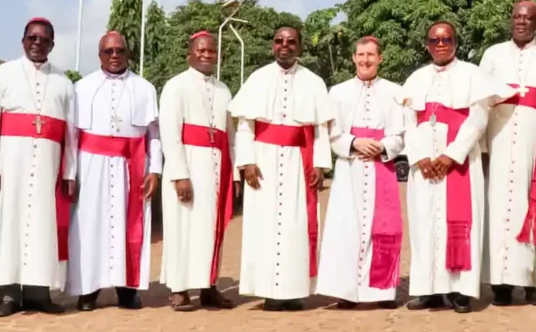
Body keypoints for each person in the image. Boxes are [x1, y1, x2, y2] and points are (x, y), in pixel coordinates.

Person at [402, 22, 512, 313]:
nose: (441, 44)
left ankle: (461, 291)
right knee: (424, 224)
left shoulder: (473, 75)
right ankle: (428, 291)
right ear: (426, 44)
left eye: (446, 39)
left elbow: (477, 120)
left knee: (463, 224)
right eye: (435, 40)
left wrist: (451, 155)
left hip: (460, 163)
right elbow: (408, 122)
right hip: (424, 166)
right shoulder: (415, 78)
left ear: (455, 43)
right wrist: (421, 157)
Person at [229, 26, 335, 311]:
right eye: (279, 41)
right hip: (263, 162)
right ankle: (267, 291)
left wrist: (321, 165)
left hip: (299, 162)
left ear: (300, 47)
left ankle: (294, 291)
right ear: (272, 45)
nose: (284, 46)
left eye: (291, 42)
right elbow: (244, 126)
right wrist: (247, 162)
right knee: (262, 225)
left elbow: (320, 128)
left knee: (295, 225)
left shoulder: (313, 82)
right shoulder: (257, 78)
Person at [0, 18, 77, 316]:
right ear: (23, 40)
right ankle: (8, 295)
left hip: (48, 165)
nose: (38, 43)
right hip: (10, 165)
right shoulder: (3, 74)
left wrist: (70, 173)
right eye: (32, 38)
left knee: (42, 226)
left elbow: (71, 134)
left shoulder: (64, 82)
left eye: (44, 39)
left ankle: (38, 293)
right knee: (6, 225)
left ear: (52, 44)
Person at [478, 1, 536, 306]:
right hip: (499, 138)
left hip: (535, 142)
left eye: (527, 18)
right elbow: (480, 99)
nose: (521, 22)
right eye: (516, 16)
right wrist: (483, 146)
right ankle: (499, 282)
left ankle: (533, 281)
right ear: (510, 20)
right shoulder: (492, 54)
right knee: (496, 206)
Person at [67, 32, 162, 311]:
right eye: (108, 51)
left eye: (119, 50)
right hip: (90, 165)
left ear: (128, 53)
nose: (114, 55)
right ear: (99, 55)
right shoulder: (81, 88)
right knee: (89, 226)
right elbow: (72, 136)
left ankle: (127, 289)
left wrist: (154, 169)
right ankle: (88, 290)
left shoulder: (145, 88)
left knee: (128, 226)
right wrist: (70, 173)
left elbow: (154, 134)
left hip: (131, 165)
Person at [317, 36, 405, 309]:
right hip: (350, 168)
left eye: (371, 55)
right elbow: (331, 132)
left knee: (383, 229)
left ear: (380, 58)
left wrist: (383, 146)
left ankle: (381, 292)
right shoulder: (338, 92)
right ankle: (346, 292)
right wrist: (354, 143)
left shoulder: (394, 91)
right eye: (360, 55)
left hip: (382, 167)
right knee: (346, 229)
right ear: (353, 58)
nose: (365, 60)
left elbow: (401, 133)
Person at [159, 31, 237, 311]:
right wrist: (180, 174)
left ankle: (208, 286)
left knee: (211, 229)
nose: (206, 55)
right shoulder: (175, 86)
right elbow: (170, 133)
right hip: (188, 165)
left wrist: (235, 174)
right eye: (201, 51)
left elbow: (230, 134)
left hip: (216, 167)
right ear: (189, 54)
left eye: (211, 51)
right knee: (182, 227)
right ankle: (179, 289)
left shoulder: (224, 89)